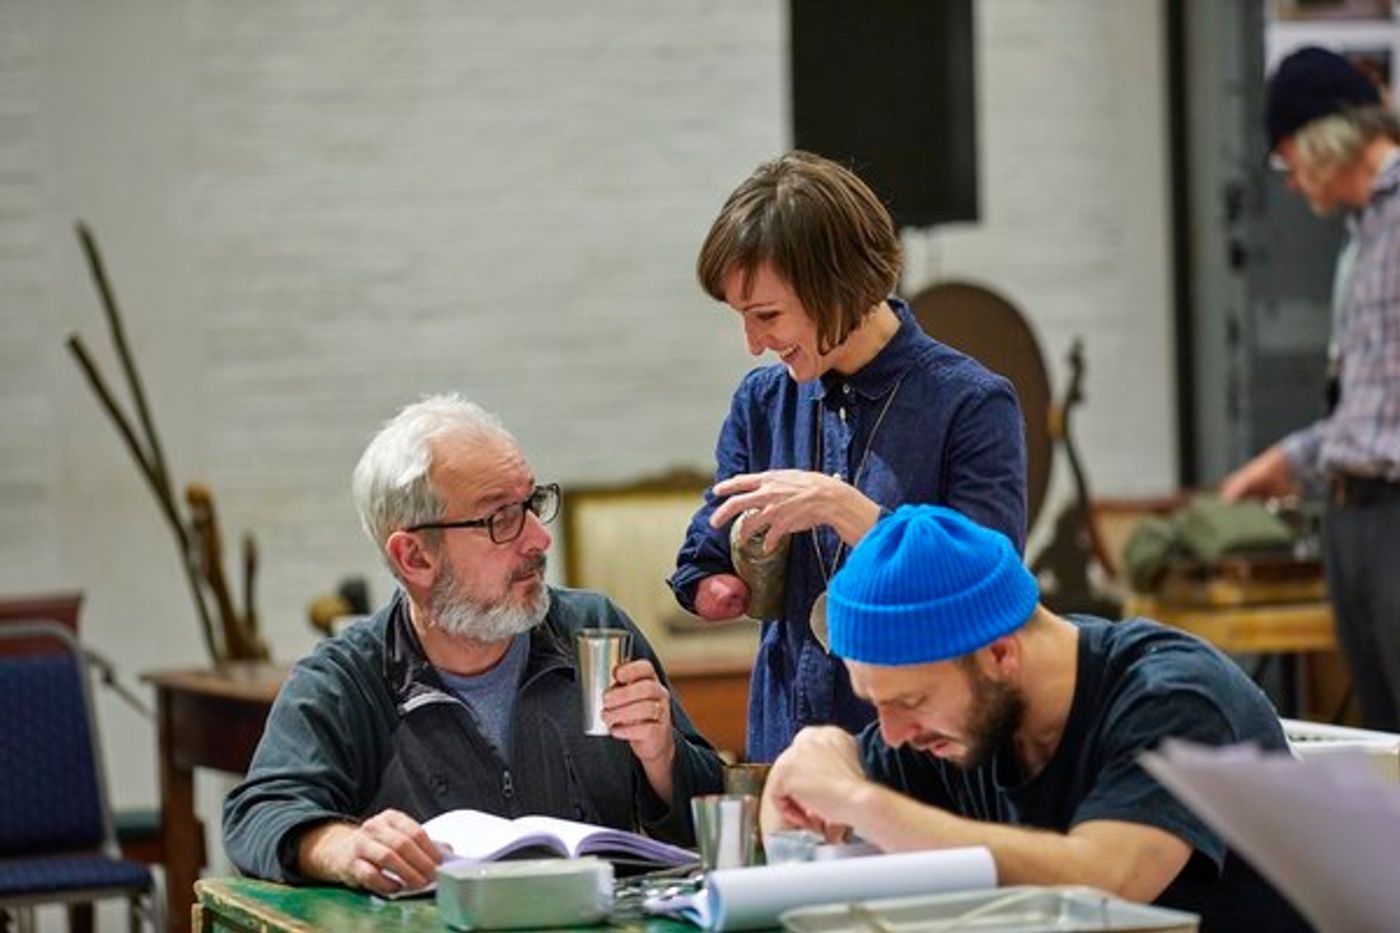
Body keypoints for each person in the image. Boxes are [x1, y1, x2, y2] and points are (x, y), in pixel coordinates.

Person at [223, 394, 725, 894]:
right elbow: (257, 815)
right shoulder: (348, 677)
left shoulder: (594, 630)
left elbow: (717, 813)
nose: (538, 539)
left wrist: (663, 757)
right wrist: (342, 847)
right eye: (499, 519)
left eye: (531, 504)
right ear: (415, 557)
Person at [761, 505, 1309, 931]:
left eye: (908, 702)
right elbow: (798, 794)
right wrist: (820, 750)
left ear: (1000, 655)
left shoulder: (1174, 696)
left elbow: (1107, 880)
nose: (894, 734)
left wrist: (864, 804)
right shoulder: (955, 722)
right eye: (875, 705)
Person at [670, 151, 1028, 762]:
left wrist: (844, 508)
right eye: (742, 318)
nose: (754, 344)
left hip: (921, 753)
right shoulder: (763, 402)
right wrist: (713, 582)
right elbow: (709, 541)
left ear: (837, 287)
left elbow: (986, 581)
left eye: (767, 316)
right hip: (786, 743)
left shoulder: (971, 403)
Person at [1221, 47, 1400, 730]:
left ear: (1321, 136)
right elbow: (1368, 407)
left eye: (1286, 157)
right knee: (1386, 740)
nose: (1291, 182)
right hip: (1355, 515)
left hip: (1393, 513)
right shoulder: (1365, 238)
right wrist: (1284, 463)